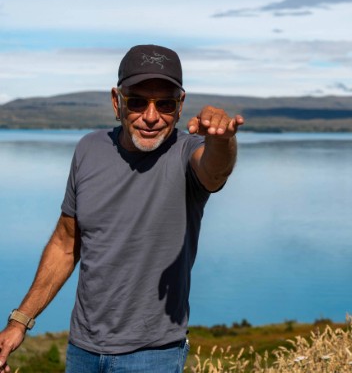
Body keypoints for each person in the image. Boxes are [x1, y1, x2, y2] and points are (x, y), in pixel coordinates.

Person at [0, 45, 244, 373]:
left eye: (166, 104)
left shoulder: (187, 152)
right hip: (82, 351)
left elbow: (214, 171)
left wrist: (221, 140)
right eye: (138, 102)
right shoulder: (89, 150)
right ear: (117, 102)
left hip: (153, 356)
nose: (151, 116)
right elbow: (65, 244)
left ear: (180, 105)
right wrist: (19, 322)